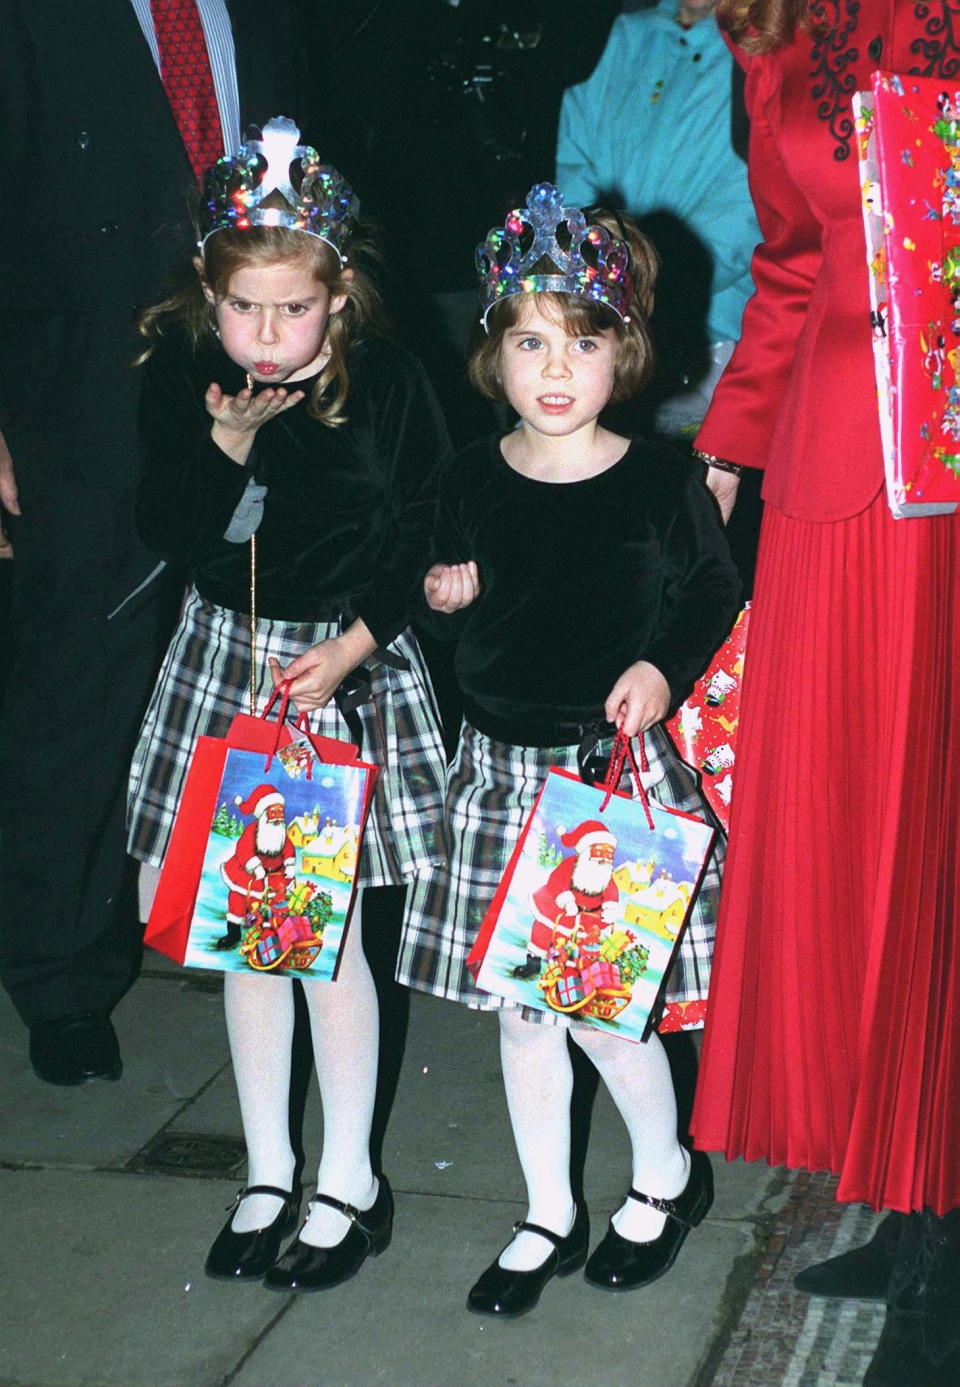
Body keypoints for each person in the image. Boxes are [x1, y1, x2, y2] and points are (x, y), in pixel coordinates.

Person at [397, 183, 742, 1317]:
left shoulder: (659, 480)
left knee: (603, 1006)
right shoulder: (469, 477)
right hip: (499, 776)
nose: (556, 369)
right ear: (493, 357)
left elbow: (710, 589)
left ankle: (664, 1173)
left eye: (582, 344)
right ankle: (547, 1205)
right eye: (531, 342)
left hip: (606, 779)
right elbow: (456, 604)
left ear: (625, 353)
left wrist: (662, 668)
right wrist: (445, 596)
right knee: (525, 1012)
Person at [686, 3, 960, 1385]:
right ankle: (916, 1190)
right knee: (858, 842)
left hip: (951, 478)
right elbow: (792, 262)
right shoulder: (774, 33)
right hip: (829, 474)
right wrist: (728, 441)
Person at [126, 119, 449, 1291]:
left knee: (327, 947)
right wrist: (221, 443)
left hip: (343, 672)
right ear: (207, 299)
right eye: (244, 310)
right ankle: (268, 1168)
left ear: (340, 299)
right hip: (231, 666)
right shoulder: (187, 380)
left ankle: (349, 1180)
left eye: (293, 311)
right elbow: (172, 530)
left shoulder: (395, 383)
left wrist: (358, 643)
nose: (267, 336)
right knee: (247, 934)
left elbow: (422, 529)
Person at [0, 0, 314, 1087]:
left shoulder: (262, 15)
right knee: (79, 687)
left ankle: (267, 932)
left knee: (265, 675)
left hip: (251, 387)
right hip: (75, 405)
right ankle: (63, 978)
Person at [555, 0, 758, 438]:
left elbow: (754, 204)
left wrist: (648, 283)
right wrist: (596, 272)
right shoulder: (626, 34)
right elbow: (575, 165)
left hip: (712, 334)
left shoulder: (763, 48)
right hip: (601, 316)